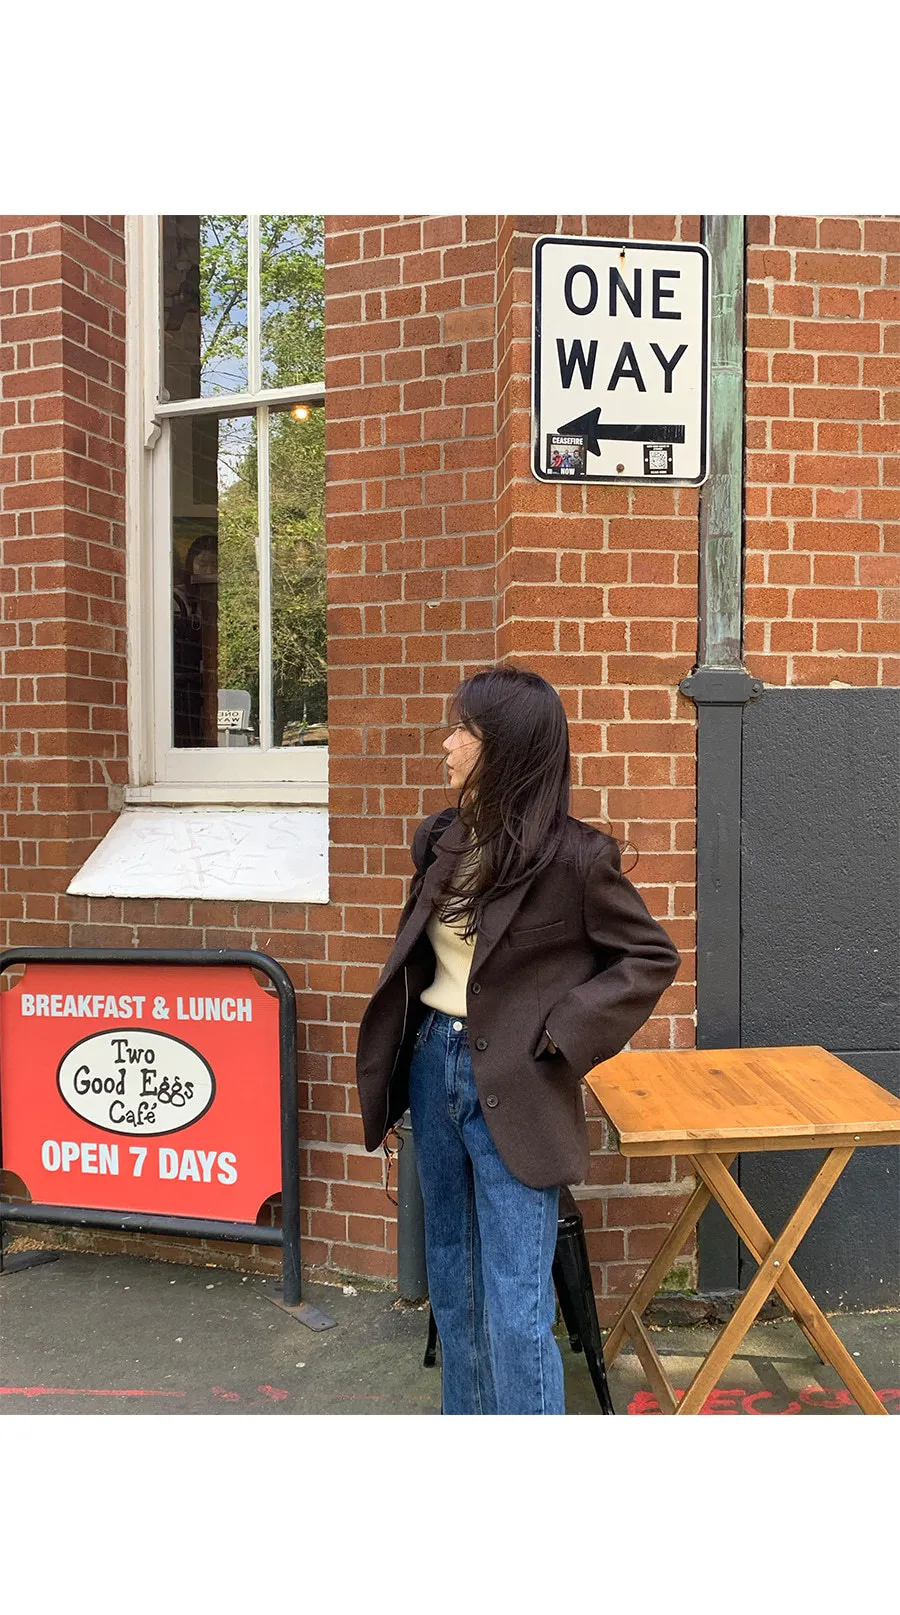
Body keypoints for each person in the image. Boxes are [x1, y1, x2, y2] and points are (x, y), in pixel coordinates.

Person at [354, 663, 681, 1414]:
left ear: (504, 748)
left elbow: (650, 957)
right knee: (454, 1281)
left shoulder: (576, 858)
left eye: (462, 731)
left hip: (519, 1083)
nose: (445, 744)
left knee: (517, 1300)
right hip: (434, 1067)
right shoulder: (442, 840)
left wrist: (564, 1030)